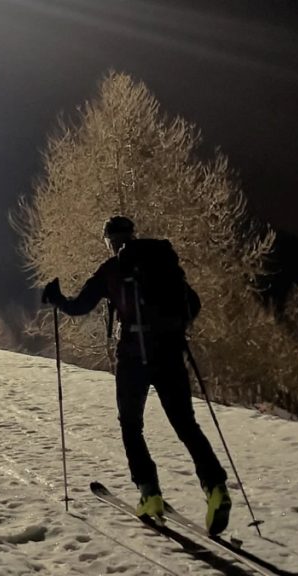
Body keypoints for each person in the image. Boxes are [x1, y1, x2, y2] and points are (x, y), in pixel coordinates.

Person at [41, 215, 232, 535]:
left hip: (132, 358)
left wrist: (56, 296)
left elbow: (79, 307)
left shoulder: (111, 270)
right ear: (132, 235)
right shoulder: (162, 262)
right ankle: (216, 488)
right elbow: (193, 304)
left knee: (131, 426)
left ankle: (150, 494)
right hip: (170, 355)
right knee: (186, 425)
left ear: (109, 242)